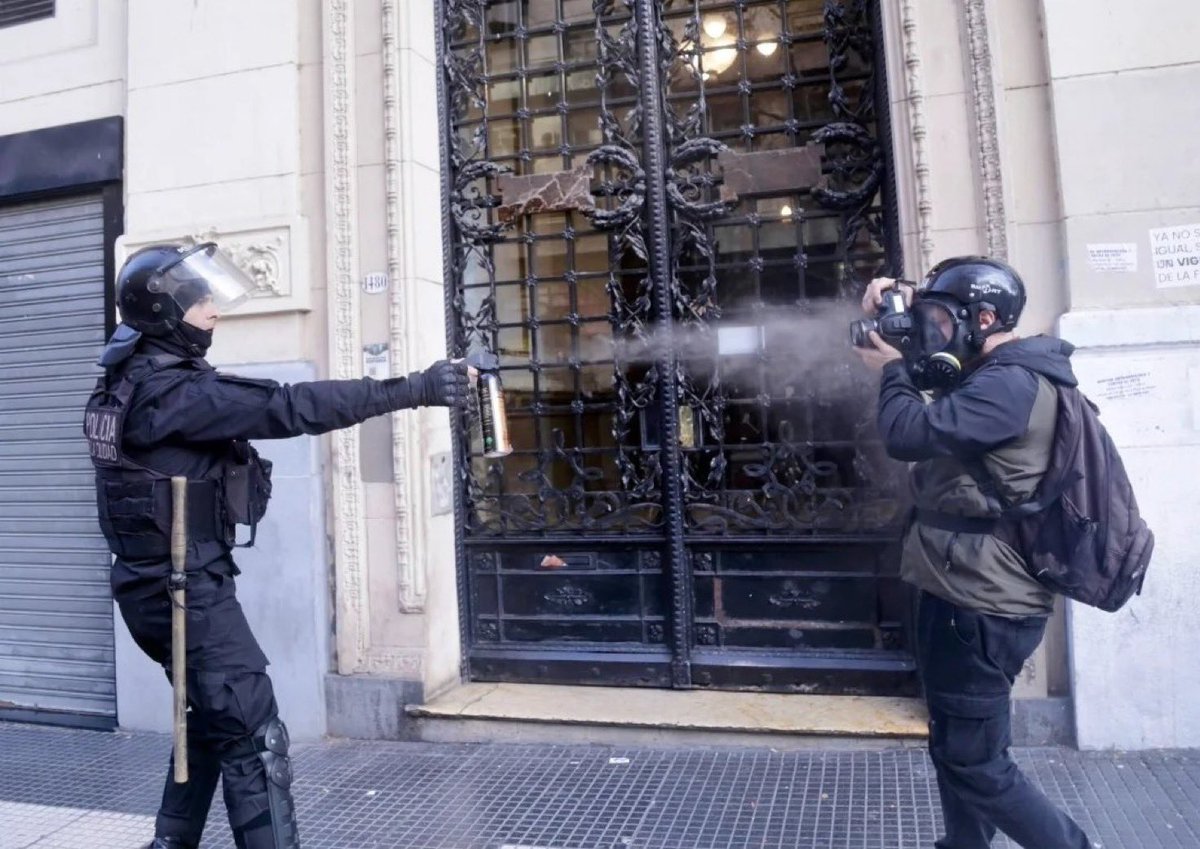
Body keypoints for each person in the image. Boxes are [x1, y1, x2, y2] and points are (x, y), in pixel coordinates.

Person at [84, 242, 469, 849]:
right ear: (162, 313)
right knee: (251, 732)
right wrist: (414, 388)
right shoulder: (173, 395)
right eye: (197, 298)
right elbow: (291, 406)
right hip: (184, 593)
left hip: (155, 588)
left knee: (211, 720)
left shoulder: (126, 384)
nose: (212, 308)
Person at [854, 256, 1091, 849]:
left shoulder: (1010, 384)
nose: (932, 332)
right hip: (962, 591)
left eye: (940, 319)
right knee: (958, 747)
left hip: (982, 604)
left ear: (983, 318)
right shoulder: (994, 374)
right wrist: (899, 314)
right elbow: (939, 397)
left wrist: (891, 370)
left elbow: (908, 433)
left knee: (978, 765)